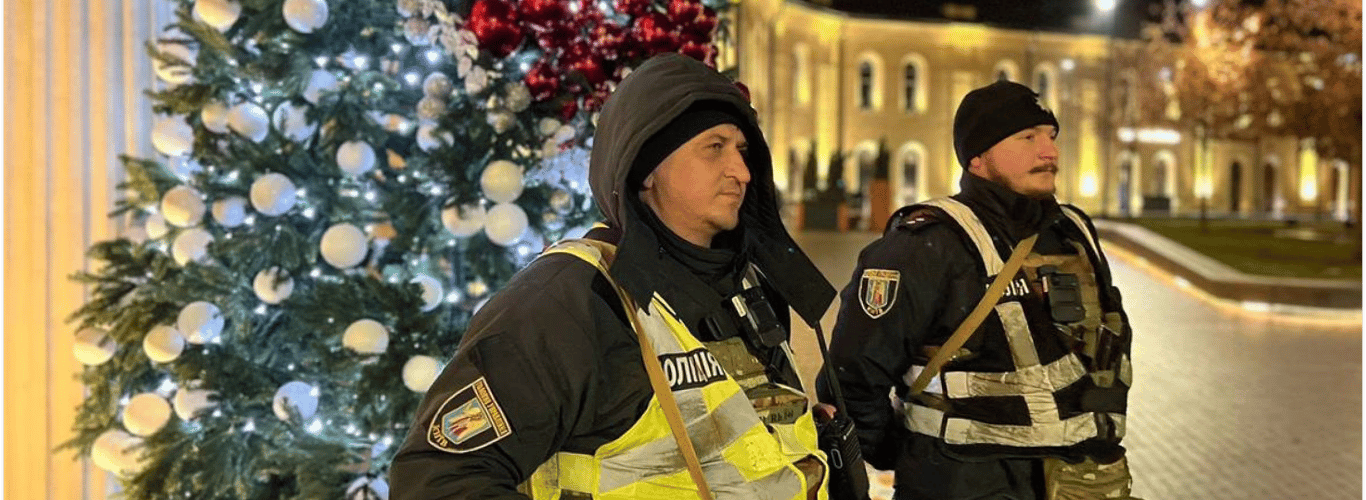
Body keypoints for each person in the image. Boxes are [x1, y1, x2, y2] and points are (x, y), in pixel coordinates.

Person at [391, 53, 837, 500]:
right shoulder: (568, 302)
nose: (741, 171)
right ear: (646, 169)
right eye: (714, 147)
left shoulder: (751, 289)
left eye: (742, 151)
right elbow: (436, 482)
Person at [819, 80, 1137, 500]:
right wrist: (914, 455)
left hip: (1087, 485)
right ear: (977, 158)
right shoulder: (927, 244)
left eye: (1051, 136)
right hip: (962, 485)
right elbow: (851, 381)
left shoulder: (1072, 233)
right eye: (1028, 138)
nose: (1050, 152)